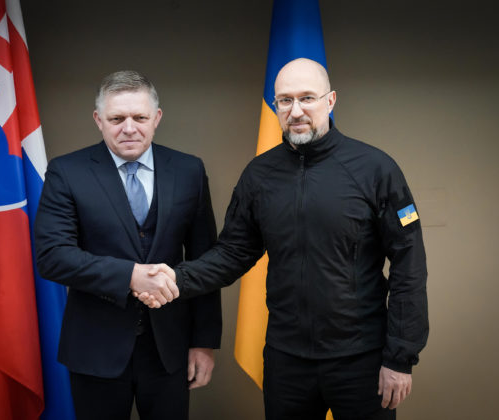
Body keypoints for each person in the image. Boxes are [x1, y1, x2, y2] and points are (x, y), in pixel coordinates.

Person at [138, 58, 428, 420]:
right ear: (275, 105)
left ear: (330, 101)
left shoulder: (375, 169)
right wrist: (176, 278)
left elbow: (409, 266)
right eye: (285, 100)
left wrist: (400, 357)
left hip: (361, 358)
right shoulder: (259, 175)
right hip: (286, 360)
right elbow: (232, 253)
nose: (296, 111)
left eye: (307, 98)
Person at [34, 70, 222, 420]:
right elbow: (53, 257)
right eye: (117, 119)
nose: (129, 128)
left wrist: (203, 342)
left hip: (170, 350)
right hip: (94, 349)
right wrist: (130, 276)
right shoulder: (66, 172)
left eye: (140, 117)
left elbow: (205, 259)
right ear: (98, 120)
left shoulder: (189, 170)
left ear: (157, 118)